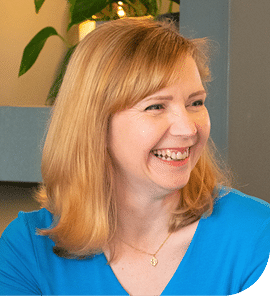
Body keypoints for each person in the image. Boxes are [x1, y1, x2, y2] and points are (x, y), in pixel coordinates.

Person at [0, 17, 269, 296]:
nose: (188, 129)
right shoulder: (27, 251)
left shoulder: (257, 235)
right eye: (155, 106)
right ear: (95, 124)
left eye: (196, 103)